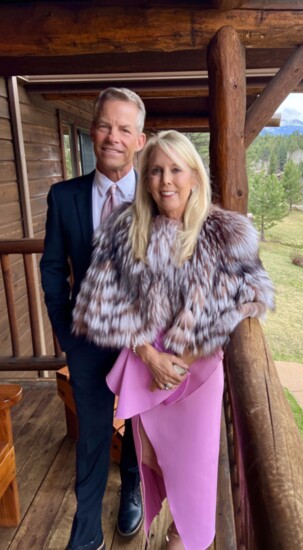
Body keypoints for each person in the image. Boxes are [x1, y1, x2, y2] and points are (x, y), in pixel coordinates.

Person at [72, 130, 275, 550]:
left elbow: (252, 295)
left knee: (194, 472)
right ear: (145, 179)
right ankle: (173, 526)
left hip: (196, 374)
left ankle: (185, 538)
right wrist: (148, 353)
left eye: (176, 170)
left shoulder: (225, 232)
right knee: (151, 460)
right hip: (148, 368)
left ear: (194, 177)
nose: (166, 180)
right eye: (156, 171)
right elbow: (102, 304)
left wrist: (184, 350)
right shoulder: (127, 230)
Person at [40, 87, 146, 550]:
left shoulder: (159, 191)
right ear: (91, 130)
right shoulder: (64, 197)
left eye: (125, 128)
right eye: (105, 125)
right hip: (86, 341)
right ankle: (85, 533)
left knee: (140, 429)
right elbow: (51, 267)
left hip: (146, 343)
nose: (113, 136)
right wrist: (65, 329)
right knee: (92, 437)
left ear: (140, 140)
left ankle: (133, 491)